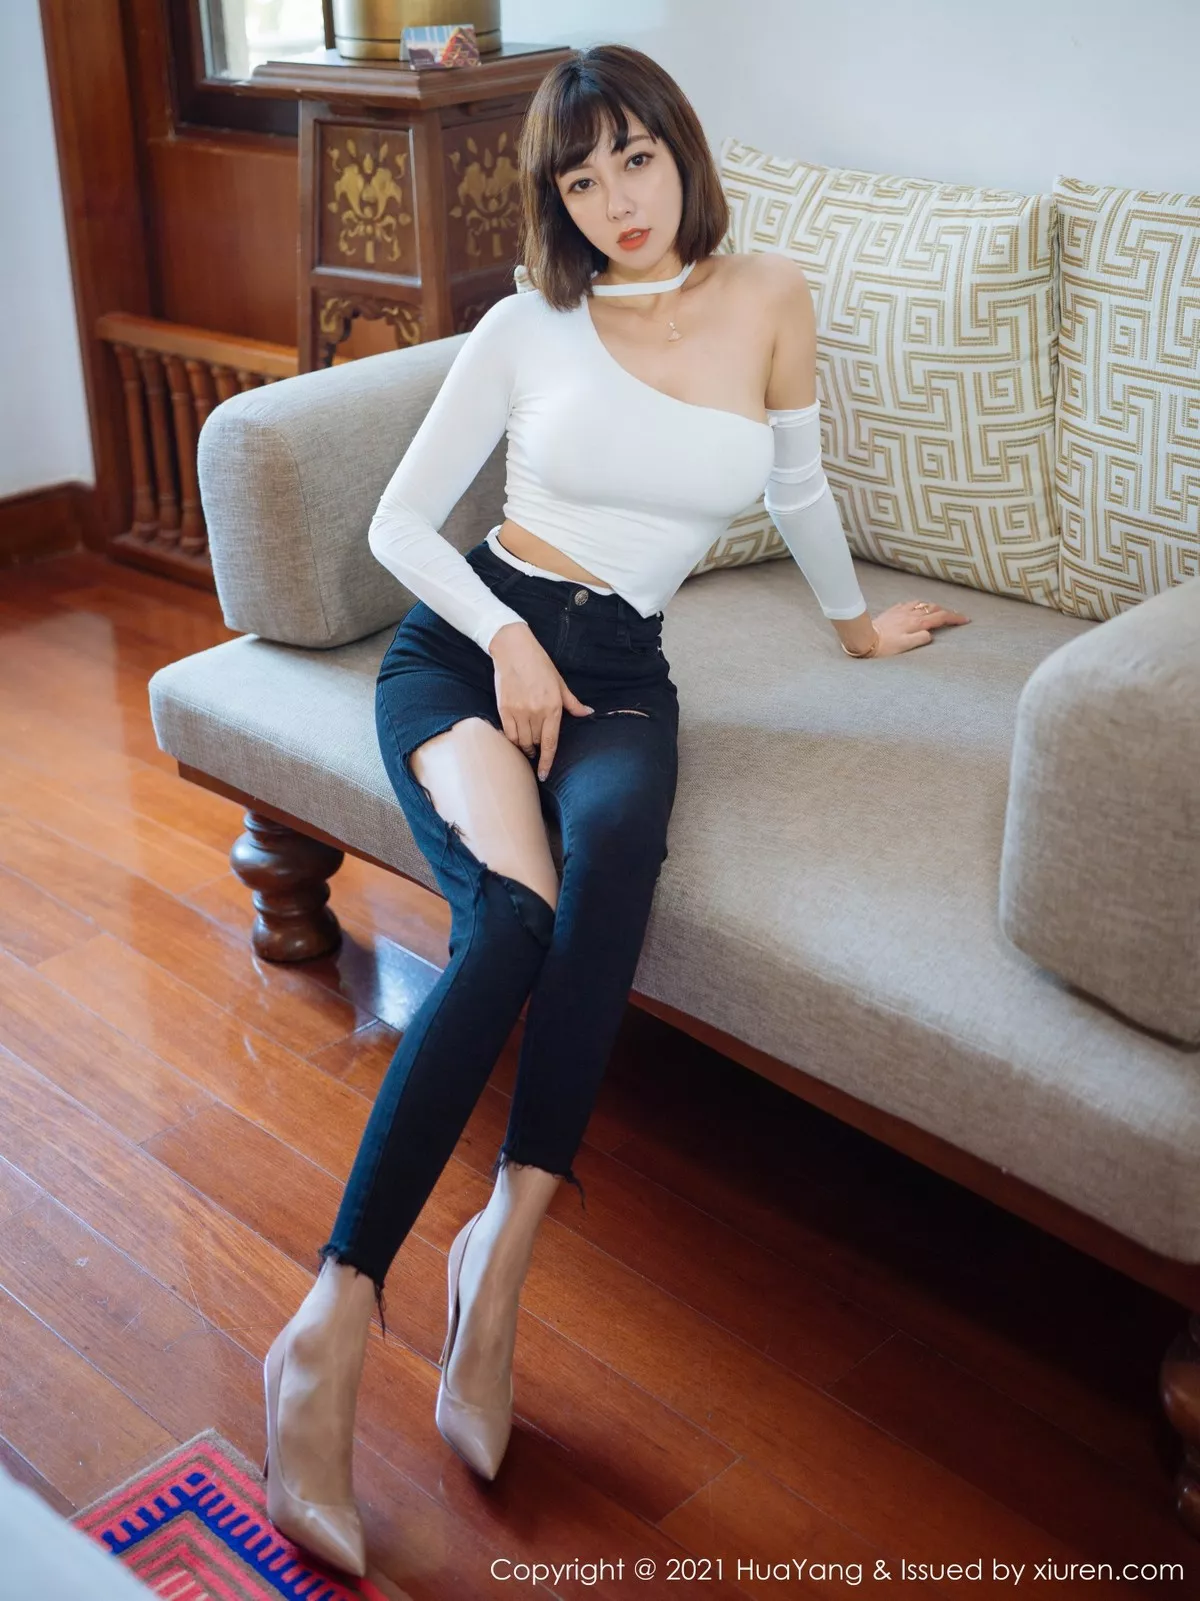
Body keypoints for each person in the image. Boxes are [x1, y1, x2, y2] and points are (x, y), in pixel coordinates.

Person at [259, 41, 971, 1578]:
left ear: (681, 151)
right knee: (513, 918)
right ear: (557, 200)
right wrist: (505, 637)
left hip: (624, 673)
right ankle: (326, 1328)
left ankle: (500, 1264)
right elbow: (400, 523)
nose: (617, 201)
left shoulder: (771, 294)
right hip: (470, 648)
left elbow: (796, 485)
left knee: (619, 857)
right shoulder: (528, 324)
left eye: (635, 159)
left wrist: (856, 628)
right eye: (581, 181)